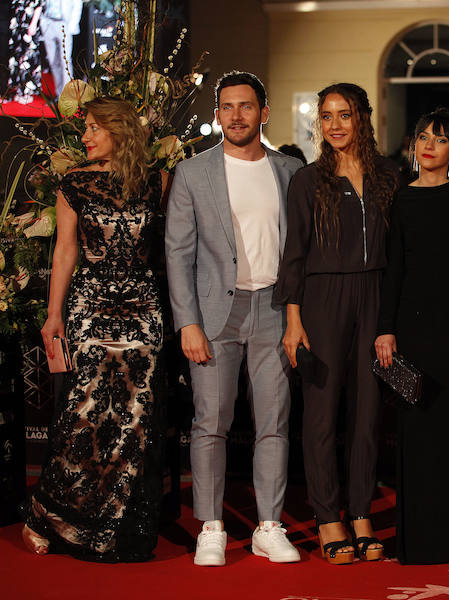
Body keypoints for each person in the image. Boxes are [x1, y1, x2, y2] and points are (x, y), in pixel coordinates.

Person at [165, 71, 303, 566]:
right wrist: (188, 322)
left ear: (263, 113)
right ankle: (211, 526)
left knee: (274, 423)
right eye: (227, 106)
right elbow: (177, 254)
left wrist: (295, 315)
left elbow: (300, 251)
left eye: (246, 106)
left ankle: (269, 525)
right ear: (218, 112)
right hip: (213, 315)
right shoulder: (193, 173)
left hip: (272, 308)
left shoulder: (290, 170)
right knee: (211, 423)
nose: (236, 115)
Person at [22, 97, 167, 561]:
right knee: (85, 410)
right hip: (91, 305)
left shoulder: (157, 181)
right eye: (85, 128)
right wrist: (54, 313)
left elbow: (173, 250)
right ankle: (46, 512)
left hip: (144, 308)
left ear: (119, 131)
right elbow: (64, 252)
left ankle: (115, 524)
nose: (83, 137)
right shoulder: (74, 184)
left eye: (92, 128)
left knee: (136, 417)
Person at [276, 82, 399, 565]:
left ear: (362, 117)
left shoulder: (390, 175)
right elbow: (295, 253)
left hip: (375, 297)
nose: (334, 125)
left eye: (343, 114)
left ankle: (362, 512)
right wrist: (293, 319)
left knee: (369, 415)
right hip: (321, 299)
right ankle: (329, 516)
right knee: (322, 414)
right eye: (325, 116)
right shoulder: (308, 181)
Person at [374, 108, 449, 565]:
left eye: (439, 139)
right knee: (416, 432)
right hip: (411, 331)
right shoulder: (401, 200)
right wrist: (385, 329)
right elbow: (393, 268)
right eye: (423, 136)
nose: (428, 145)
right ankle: (418, 542)